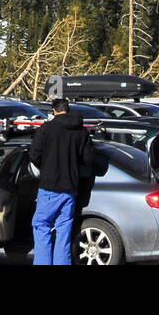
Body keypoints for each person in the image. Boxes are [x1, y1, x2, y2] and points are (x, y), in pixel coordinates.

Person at [28, 97, 94, 265]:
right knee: (64, 230)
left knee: (41, 225)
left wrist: (45, 167)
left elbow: (34, 155)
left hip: (49, 187)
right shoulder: (81, 131)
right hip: (70, 187)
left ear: (54, 111)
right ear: (68, 110)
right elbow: (89, 159)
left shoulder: (46, 129)